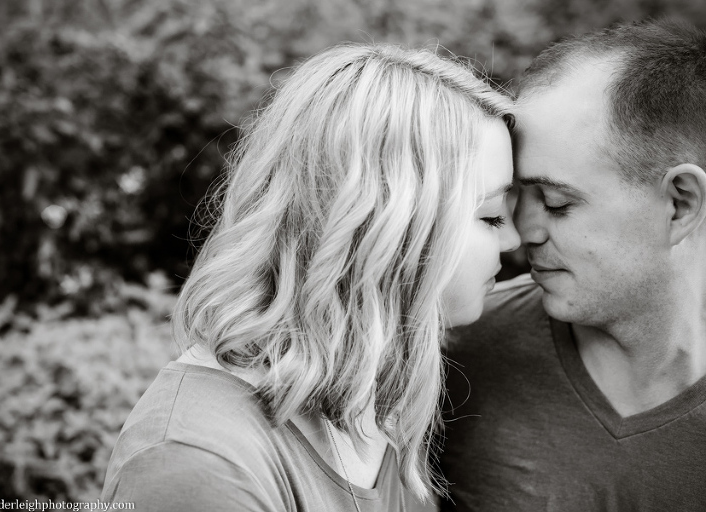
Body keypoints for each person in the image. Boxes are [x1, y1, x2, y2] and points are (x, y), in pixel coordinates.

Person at [101, 43, 520, 512]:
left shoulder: (374, 397)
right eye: (491, 216)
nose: (514, 241)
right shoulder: (197, 462)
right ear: (386, 228)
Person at [440, 19, 706, 512]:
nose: (522, 234)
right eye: (515, 197)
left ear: (680, 204)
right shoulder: (453, 353)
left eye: (557, 202)